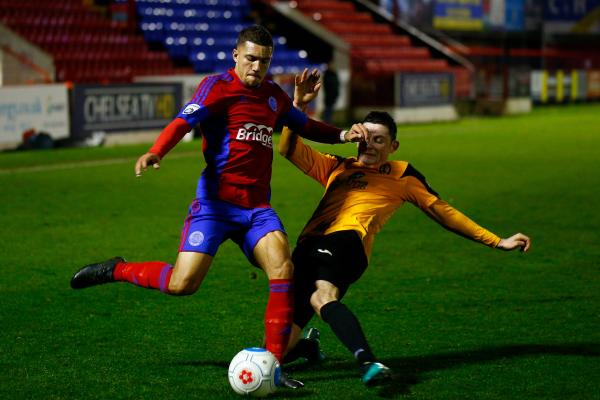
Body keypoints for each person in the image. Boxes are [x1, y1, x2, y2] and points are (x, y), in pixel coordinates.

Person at [69, 25, 364, 389]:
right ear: (236, 56)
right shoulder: (216, 87)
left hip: (256, 209)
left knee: (282, 266)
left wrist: (342, 135)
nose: (257, 67)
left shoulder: (273, 96)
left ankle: (273, 366)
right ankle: (117, 269)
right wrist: (156, 151)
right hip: (214, 207)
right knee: (183, 284)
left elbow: (304, 125)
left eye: (265, 61)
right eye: (251, 59)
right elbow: (182, 122)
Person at [278, 70, 532, 386]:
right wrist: (298, 105)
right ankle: (305, 346)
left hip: (347, 242)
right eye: (365, 136)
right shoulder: (336, 166)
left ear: (393, 146)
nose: (368, 144)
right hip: (308, 246)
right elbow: (287, 149)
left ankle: (369, 362)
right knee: (275, 350)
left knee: (322, 297)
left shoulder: (403, 176)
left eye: (379, 139)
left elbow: (443, 212)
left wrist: (496, 241)